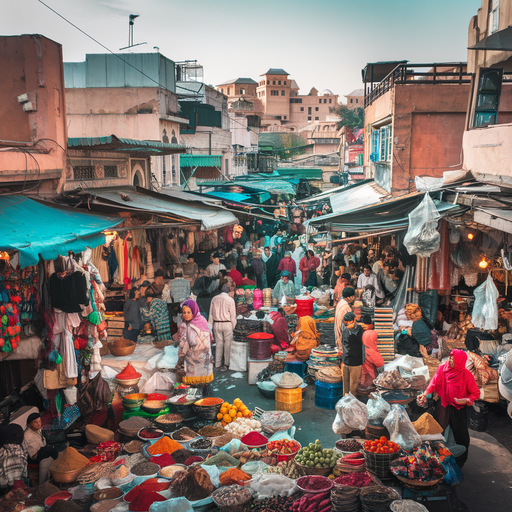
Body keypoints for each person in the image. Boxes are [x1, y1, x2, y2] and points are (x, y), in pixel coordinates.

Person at [417, 350, 480, 468]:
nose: (450, 361)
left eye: (454, 359)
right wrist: (425, 394)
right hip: (444, 405)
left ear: (460, 362)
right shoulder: (442, 369)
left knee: (461, 435)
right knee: (436, 432)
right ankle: (434, 460)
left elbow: (475, 393)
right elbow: (434, 383)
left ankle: (460, 463)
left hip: (459, 408)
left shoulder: (466, 374)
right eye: (450, 358)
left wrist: (466, 400)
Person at [177, 299, 214, 388]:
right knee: (204, 386)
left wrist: (179, 360)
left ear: (194, 312)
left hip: (193, 362)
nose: (186, 315)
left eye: (188, 312)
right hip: (205, 361)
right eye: (184, 312)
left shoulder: (186, 326)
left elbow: (184, 346)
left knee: (195, 389)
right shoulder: (202, 320)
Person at [209, 284, 237, 371]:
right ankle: (226, 363)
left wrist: (210, 326)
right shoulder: (230, 300)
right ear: (228, 291)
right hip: (227, 324)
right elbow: (233, 315)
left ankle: (217, 363)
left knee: (219, 344)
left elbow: (210, 313)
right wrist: (234, 326)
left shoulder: (214, 298)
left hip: (217, 324)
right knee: (228, 344)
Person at [341, 312, 365, 396]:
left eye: (348, 323)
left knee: (353, 385)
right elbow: (344, 345)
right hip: (346, 361)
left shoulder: (361, 330)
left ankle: (352, 404)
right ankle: (344, 403)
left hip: (356, 362)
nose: (347, 325)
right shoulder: (345, 331)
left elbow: (362, 345)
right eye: (345, 323)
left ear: (354, 320)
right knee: (345, 385)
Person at [0, 424, 28, 493]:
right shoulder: (22, 450)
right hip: (18, 486)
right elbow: (25, 474)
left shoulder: (2, 451)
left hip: (3, 488)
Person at [359, 320, 385, 390]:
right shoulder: (372, 352)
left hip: (361, 380)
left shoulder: (361, 348)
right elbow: (381, 367)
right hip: (369, 381)